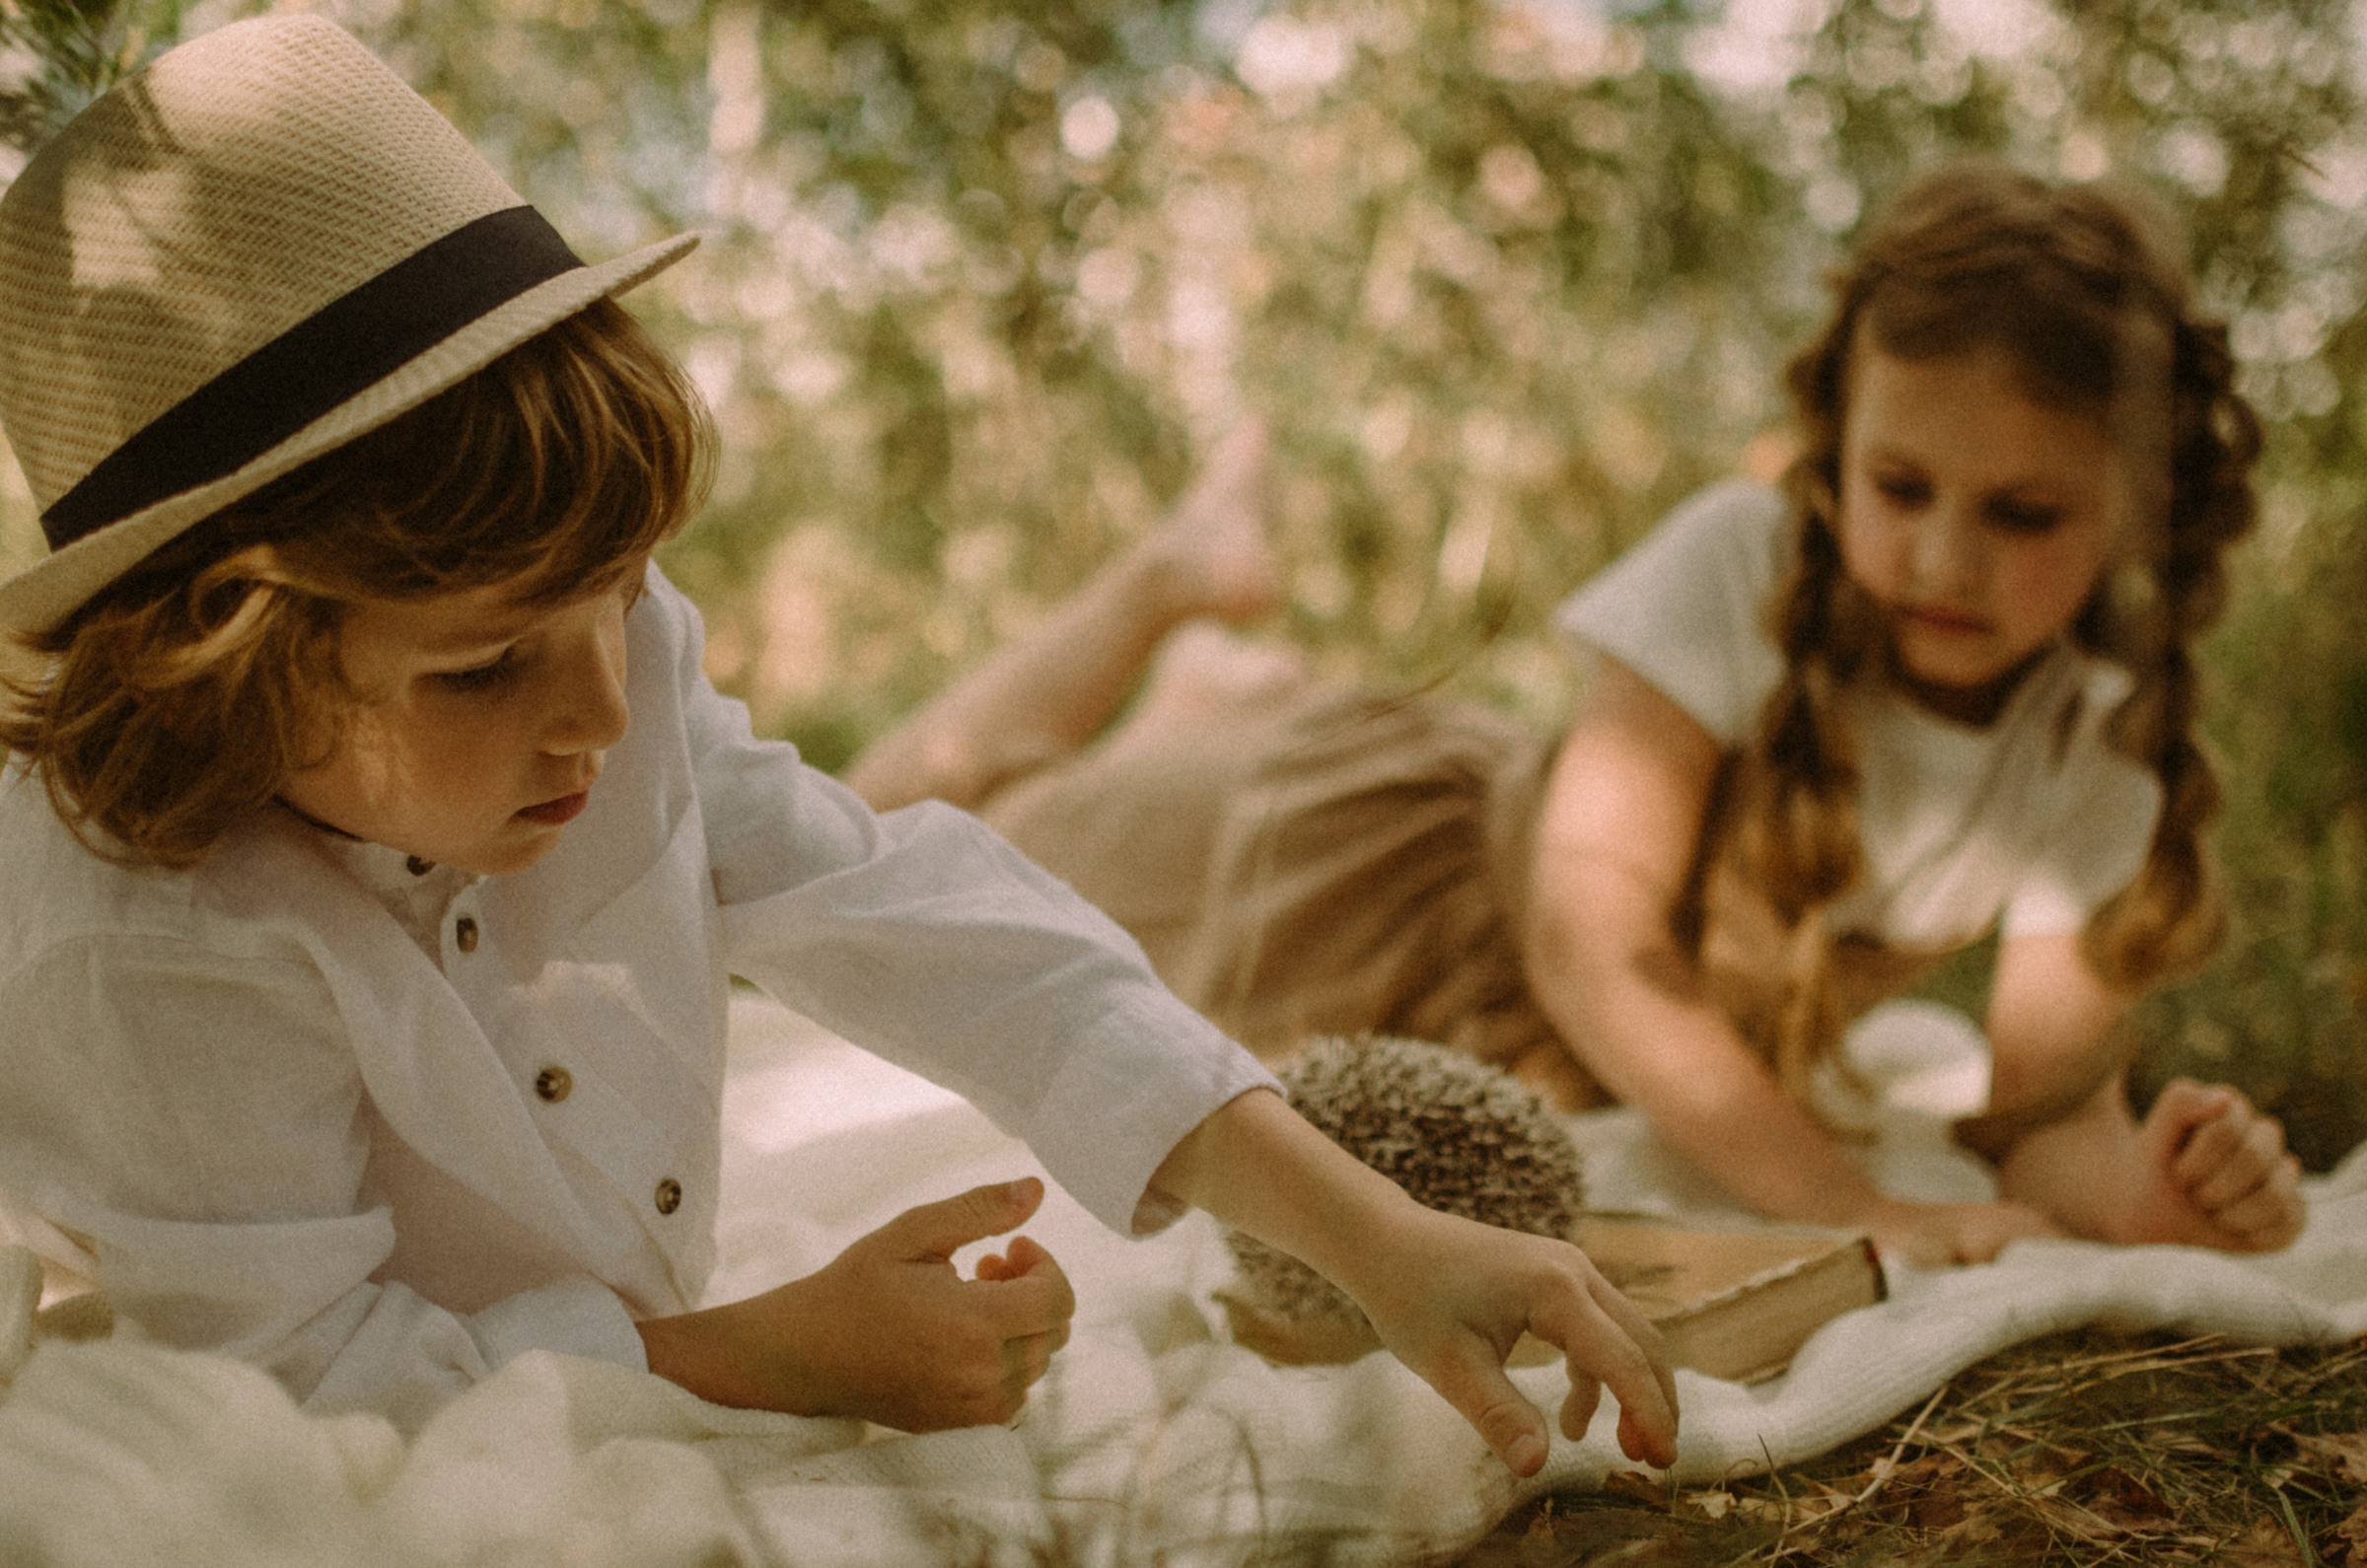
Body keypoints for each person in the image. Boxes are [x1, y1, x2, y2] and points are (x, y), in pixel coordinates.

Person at [0, 16, 1680, 1477]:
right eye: (487, 668)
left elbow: (925, 915)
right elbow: (289, 1381)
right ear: (218, 660)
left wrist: (1372, 1237)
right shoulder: (143, 946)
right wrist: (764, 1355)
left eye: (623, 600)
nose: (599, 712)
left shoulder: (604, 675)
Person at [851, 163, 2308, 1268]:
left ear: (2136, 507)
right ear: (1839, 443)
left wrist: (2150, 1194)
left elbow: (2034, 1119)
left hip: (1537, 1039)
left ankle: (1215, 695)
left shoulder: (2109, 732)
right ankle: (1175, 584)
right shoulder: (1740, 557)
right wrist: (1847, 1202)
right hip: (1384, 877)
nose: (1940, 556)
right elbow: (1589, 943)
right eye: (1901, 486)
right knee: (900, 833)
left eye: (2023, 512)